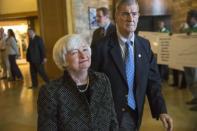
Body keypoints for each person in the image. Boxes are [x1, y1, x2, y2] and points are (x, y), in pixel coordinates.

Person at [91, 0, 173, 130]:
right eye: (125, 14)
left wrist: (161, 110)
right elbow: (93, 85)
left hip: (136, 114)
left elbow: (152, 82)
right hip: (110, 117)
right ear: (116, 16)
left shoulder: (145, 46)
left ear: (138, 16)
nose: (131, 18)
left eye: (134, 14)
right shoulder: (100, 47)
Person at [37, 34, 118, 131]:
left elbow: (112, 119)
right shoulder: (51, 91)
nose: (83, 56)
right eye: (74, 52)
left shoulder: (102, 80)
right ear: (63, 59)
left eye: (85, 49)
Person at [184, 9, 197, 111]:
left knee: (196, 81)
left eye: (189, 17)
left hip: (195, 62)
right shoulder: (186, 29)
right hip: (186, 61)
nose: (187, 19)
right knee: (190, 81)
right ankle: (195, 97)